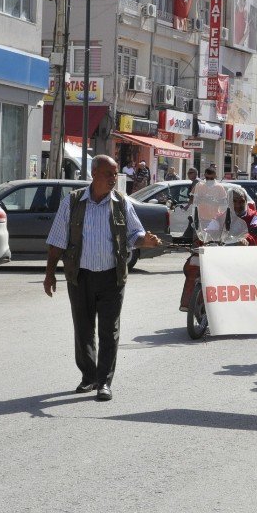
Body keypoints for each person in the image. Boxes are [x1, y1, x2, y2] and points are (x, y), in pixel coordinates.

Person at [43, 155, 163, 402]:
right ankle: (89, 377)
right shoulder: (73, 202)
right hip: (80, 276)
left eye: (115, 174)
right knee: (84, 329)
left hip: (112, 277)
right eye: (109, 174)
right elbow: (57, 240)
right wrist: (49, 274)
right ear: (94, 174)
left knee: (110, 331)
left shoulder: (121, 203)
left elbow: (134, 234)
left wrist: (146, 241)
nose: (113, 179)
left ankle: (104, 382)